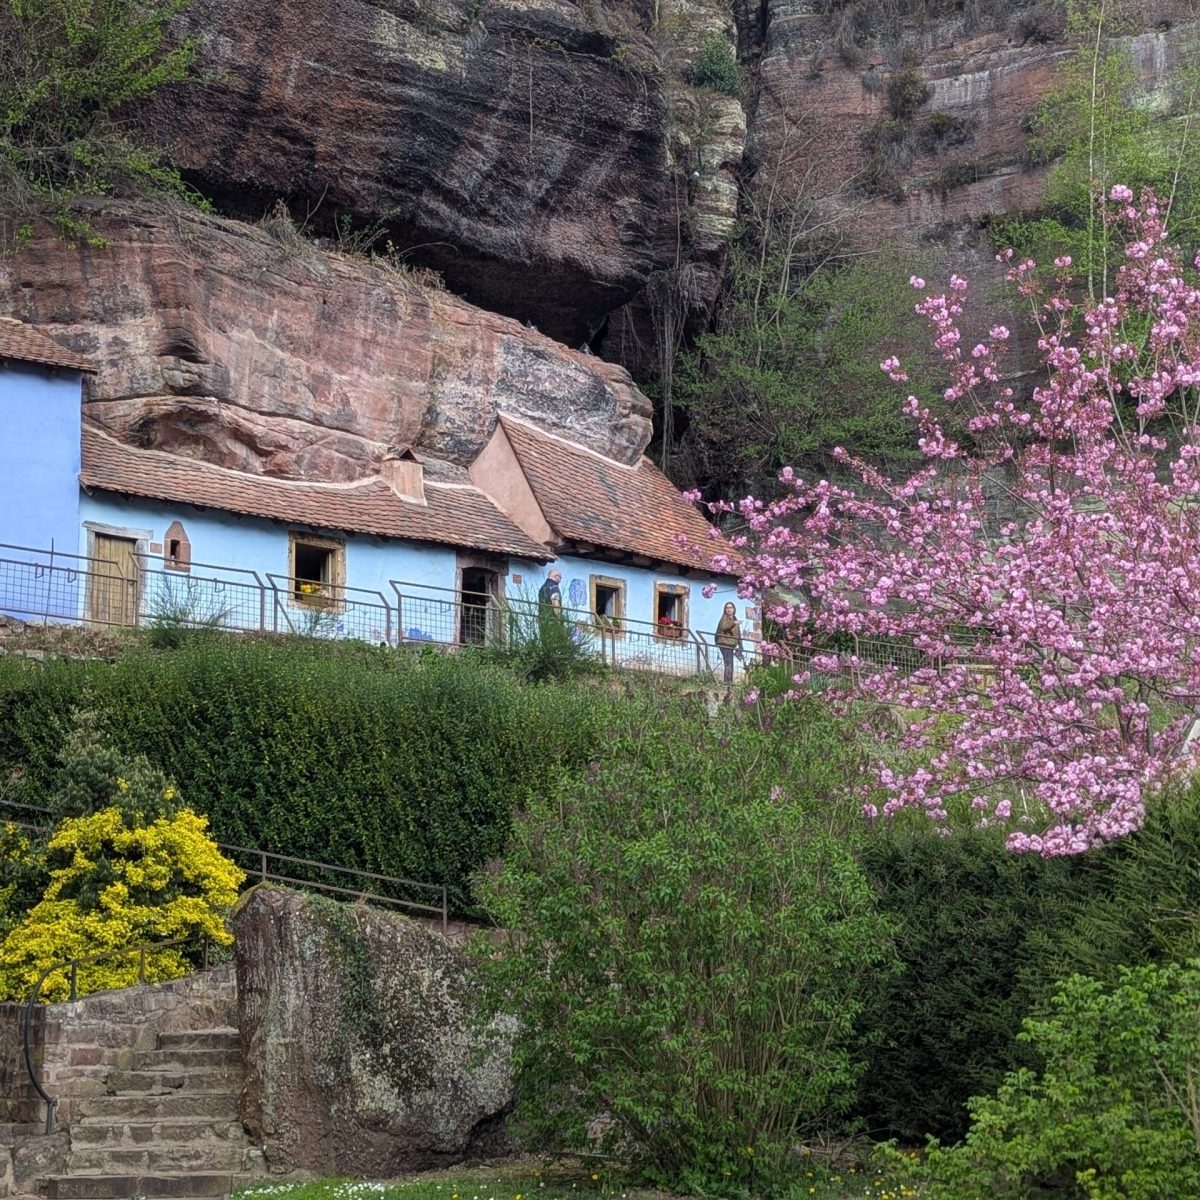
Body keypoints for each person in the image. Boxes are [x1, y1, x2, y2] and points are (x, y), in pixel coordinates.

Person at [714, 602, 743, 684]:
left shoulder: (734, 619)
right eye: (727, 608)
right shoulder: (724, 618)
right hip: (724, 643)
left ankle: (729, 682)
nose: (729, 609)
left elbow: (738, 634)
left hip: (731, 644)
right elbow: (724, 627)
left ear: (734, 609)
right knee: (728, 662)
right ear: (725, 610)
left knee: (730, 662)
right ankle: (727, 682)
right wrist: (734, 623)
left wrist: (740, 645)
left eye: (730, 608)